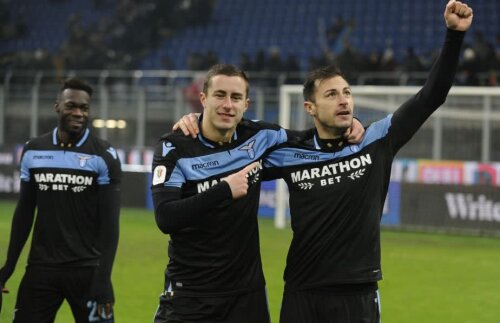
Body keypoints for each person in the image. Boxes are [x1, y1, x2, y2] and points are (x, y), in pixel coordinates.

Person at [174, 1, 473, 321]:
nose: (343, 99)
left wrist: (454, 36)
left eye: (346, 92)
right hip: (302, 293)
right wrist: (198, 119)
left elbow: (432, 95)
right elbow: (238, 131)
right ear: (310, 108)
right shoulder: (289, 150)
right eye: (331, 95)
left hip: (358, 293)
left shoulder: (377, 141)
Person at [151, 63, 365, 322]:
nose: (227, 105)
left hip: (246, 297)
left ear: (246, 105)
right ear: (203, 99)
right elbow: (166, 217)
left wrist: (351, 123)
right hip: (190, 295)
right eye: (220, 95)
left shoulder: (260, 137)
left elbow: (315, 138)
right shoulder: (174, 146)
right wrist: (225, 189)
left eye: (236, 97)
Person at [0, 78, 121, 323]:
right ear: (57, 106)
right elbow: (24, 212)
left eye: (84, 108)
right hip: (40, 270)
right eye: (71, 106)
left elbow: (111, 225)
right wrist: (8, 268)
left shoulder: (104, 154)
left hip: (88, 271)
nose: (78, 113)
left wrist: (104, 279)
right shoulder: (33, 150)